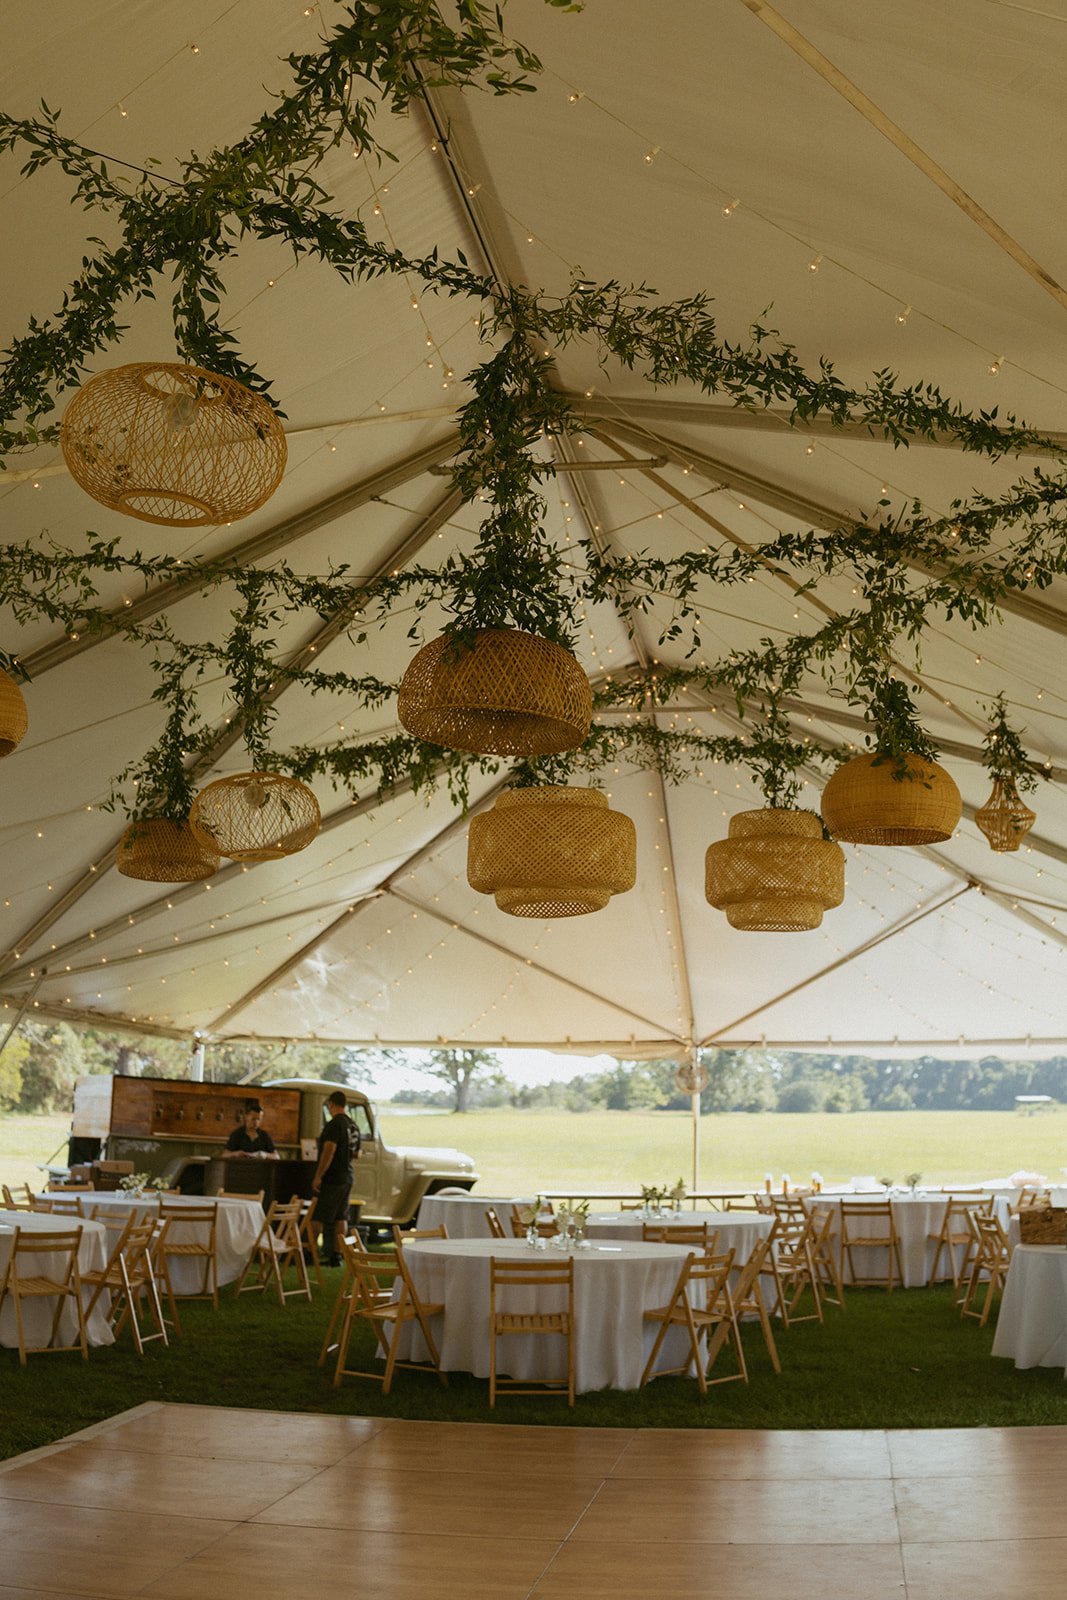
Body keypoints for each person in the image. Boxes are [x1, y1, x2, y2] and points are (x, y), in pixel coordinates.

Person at [312, 1090, 360, 1265]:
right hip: (347, 1175)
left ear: (331, 1104)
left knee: (318, 1216)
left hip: (332, 1177)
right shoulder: (353, 1125)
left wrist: (319, 1175)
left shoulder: (334, 1124)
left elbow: (329, 1151)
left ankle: (310, 1253)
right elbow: (356, 1153)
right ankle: (336, 1256)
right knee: (341, 1217)